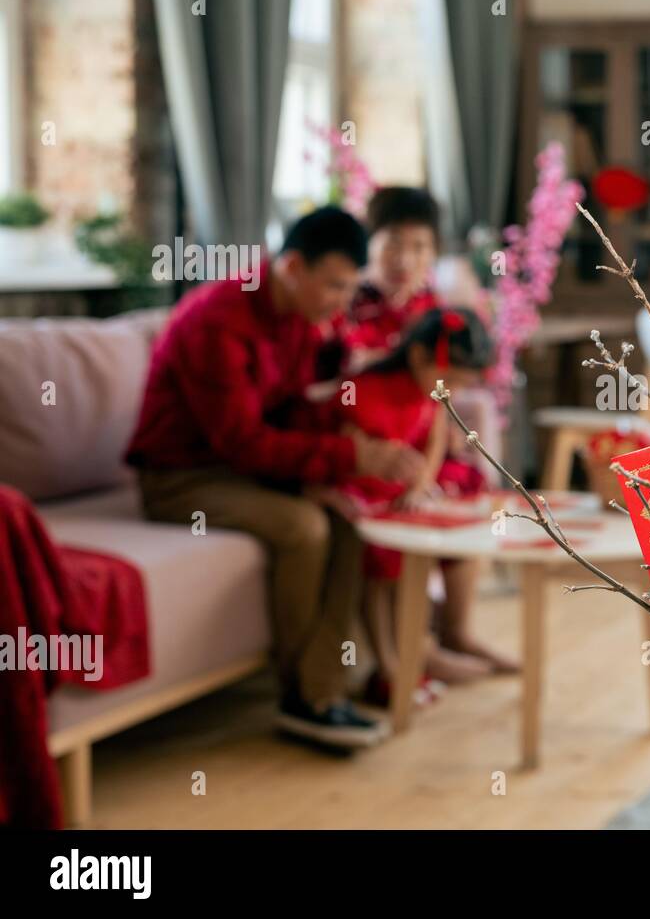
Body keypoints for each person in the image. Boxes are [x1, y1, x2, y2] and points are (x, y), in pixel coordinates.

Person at [125, 206, 426, 750]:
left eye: (349, 288)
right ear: (291, 267)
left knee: (349, 522)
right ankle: (305, 698)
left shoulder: (299, 320)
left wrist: (329, 471)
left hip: (241, 469)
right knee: (303, 528)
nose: (341, 302)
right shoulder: (219, 323)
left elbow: (289, 413)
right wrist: (345, 459)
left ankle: (324, 689)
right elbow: (244, 443)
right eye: (333, 285)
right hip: (180, 479)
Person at [325, 307, 519, 706]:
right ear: (417, 357)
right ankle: (395, 662)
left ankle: (457, 630)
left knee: (467, 492)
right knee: (385, 541)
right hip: (365, 484)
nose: (454, 392)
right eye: (453, 380)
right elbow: (346, 453)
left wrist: (422, 482)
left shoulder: (429, 391)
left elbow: (433, 435)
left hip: (405, 481)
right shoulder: (363, 390)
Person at [327, 187, 444, 374]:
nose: (404, 261)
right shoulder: (341, 299)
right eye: (393, 243)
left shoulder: (432, 309)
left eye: (419, 247)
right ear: (368, 242)